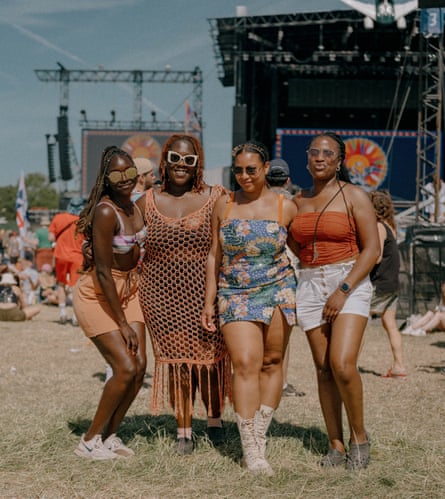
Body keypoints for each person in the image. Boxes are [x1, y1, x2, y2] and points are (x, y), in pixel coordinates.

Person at [202, 140, 298, 475]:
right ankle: (251, 450)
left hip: (278, 290)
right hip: (235, 292)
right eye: (239, 170)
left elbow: (301, 248)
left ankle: (260, 433)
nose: (244, 176)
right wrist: (208, 300)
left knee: (272, 363)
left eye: (251, 170)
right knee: (244, 363)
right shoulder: (223, 205)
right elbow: (215, 253)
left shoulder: (286, 206)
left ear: (266, 168)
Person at [135, 134, 231, 455]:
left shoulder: (216, 196)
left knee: (209, 361)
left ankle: (215, 420)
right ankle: (184, 430)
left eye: (188, 160)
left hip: (206, 294)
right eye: (174, 158)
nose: (181, 165)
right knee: (178, 363)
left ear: (197, 164)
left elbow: (227, 243)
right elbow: (121, 236)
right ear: (164, 161)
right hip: (160, 297)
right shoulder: (145, 201)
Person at [289, 132, 380, 470]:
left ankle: (359, 437)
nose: (320, 157)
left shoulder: (355, 195)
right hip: (311, 283)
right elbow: (293, 243)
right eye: (315, 152)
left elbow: (372, 249)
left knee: (342, 364)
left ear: (340, 161)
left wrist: (342, 290)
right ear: (308, 158)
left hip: (349, 281)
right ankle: (336, 445)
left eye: (329, 153)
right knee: (324, 369)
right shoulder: (296, 201)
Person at [72, 145, 147, 460]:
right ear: (106, 177)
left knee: (140, 367)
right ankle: (88, 442)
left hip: (130, 289)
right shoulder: (106, 211)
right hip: (100, 293)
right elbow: (102, 271)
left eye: (129, 172)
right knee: (124, 366)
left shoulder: (136, 206)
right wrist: (120, 323)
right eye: (116, 174)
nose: (124, 178)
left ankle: (111, 435)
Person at [266, 158, 305, 398]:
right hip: (288, 271)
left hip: (258, 273)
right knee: (284, 329)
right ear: (288, 180)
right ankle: (280, 382)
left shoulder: (255, 203)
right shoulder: (293, 205)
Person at [369, 190, 407, 379]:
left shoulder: (378, 227)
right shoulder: (391, 226)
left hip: (379, 284)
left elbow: (376, 257)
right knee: (390, 324)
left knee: (357, 323)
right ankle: (399, 366)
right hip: (392, 284)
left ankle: (347, 365)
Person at [48, 198, 85, 325]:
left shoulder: (58, 218)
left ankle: (62, 313)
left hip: (60, 255)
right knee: (76, 286)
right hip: (78, 257)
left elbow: (51, 237)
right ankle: (75, 316)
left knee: (61, 284)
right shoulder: (83, 221)